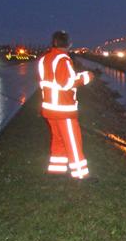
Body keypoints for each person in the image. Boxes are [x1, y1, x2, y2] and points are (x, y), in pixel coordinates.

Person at [38, 31, 94, 179]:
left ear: (54, 42)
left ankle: (57, 170)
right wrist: (85, 77)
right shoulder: (63, 59)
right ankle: (81, 175)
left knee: (58, 139)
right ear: (69, 44)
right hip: (63, 109)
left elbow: (52, 80)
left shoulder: (45, 59)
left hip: (49, 108)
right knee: (73, 141)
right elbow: (67, 82)